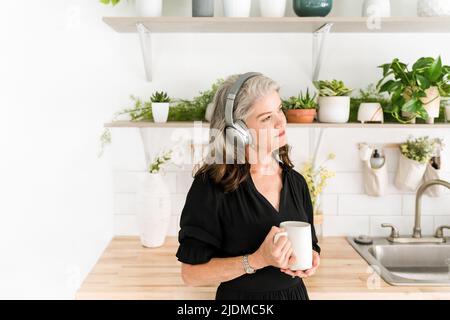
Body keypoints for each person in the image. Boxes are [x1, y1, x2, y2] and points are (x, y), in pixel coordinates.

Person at [175, 72, 321, 300]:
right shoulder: (211, 186)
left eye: (280, 109)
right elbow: (190, 274)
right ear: (239, 131)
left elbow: (310, 244)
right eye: (266, 118)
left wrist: (310, 259)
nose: (281, 121)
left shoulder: (296, 182)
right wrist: (256, 260)